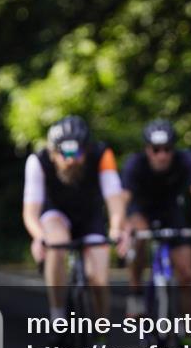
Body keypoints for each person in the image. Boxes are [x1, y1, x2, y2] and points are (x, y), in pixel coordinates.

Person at [22, 115, 128, 325]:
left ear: (86, 151)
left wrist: (117, 229)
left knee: (98, 279)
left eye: (77, 152)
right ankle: (58, 315)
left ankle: (100, 334)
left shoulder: (102, 155)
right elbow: (30, 212)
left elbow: (115, 199)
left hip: (90, 216)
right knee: (56, 243)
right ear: (53, 153)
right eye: (64, 153)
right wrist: (39, 237)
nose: (71, 160)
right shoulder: (37, 161)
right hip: (56, 215)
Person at [121, 119, 191, 327]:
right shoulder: (135, 163)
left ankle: (187, 336)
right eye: (156, 150)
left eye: (167, 149)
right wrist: (121, 227)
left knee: (187, 276)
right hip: (141, 211)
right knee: (138, 233)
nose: (162, 155)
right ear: (147, 149)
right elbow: (123, 200)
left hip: (171, 212)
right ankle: (135, 292)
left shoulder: (185, 159)